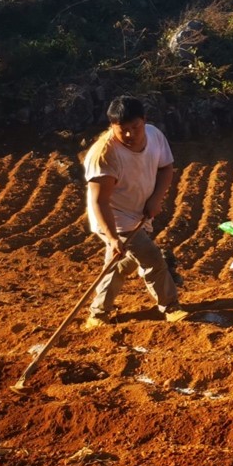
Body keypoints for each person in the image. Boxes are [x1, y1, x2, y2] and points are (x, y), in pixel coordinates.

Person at [83, 96, 185, 328]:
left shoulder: (155, 135)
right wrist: (111, 238)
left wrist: (156, 199)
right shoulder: (104, 155)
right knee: (152, 258)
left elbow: (166, 168)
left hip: (138, 212)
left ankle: (98, 313)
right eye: (123, 130)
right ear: (112, 126)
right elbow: (100, 202)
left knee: (122, 263)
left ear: (144, 121)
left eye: (135, 127)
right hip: (114, 216)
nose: (130, 134)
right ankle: (170, 306)